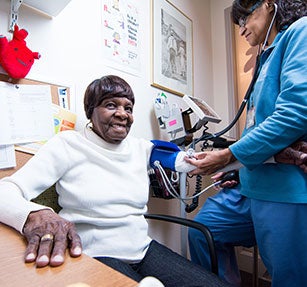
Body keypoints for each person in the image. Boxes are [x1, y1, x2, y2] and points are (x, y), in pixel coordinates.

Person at [0, 75, 231, 287]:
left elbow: (181, 159)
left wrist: (229, 160)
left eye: (128, 108)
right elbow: (5, 191)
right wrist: (34, 215)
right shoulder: (67, 145)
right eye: (111, 105)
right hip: (96, 254)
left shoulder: (140, 148)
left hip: (143, 249)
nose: (123, 113)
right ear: (91, 111)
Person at [185, 1, 307, 287]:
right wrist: (237, 166)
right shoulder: (266, 56)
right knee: (203, 230)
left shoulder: (300, 32)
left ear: (269, 5)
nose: (241, 29)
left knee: (289, 278)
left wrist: (229, 155)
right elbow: (259, 125)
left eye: (245, 18)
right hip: (250, 184)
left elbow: (295, 114)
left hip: (283, 188)